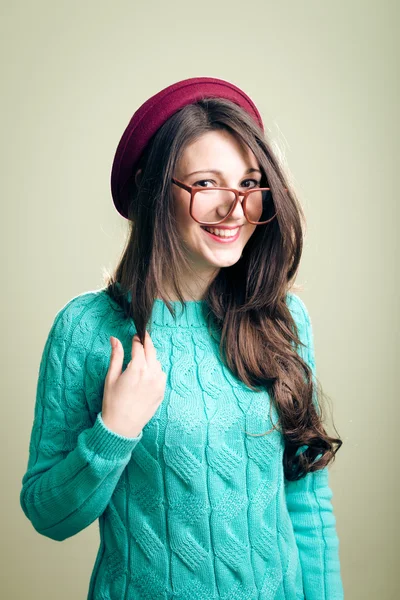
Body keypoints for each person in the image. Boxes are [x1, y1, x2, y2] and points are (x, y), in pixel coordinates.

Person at [19, 76, 344, 600]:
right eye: (206, 184)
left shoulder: (282, 318)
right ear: (152, 189)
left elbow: (306, 499)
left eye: (249, 182)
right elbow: (47, 515)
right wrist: (114, 431)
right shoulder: (85, 331)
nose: (234, 207)